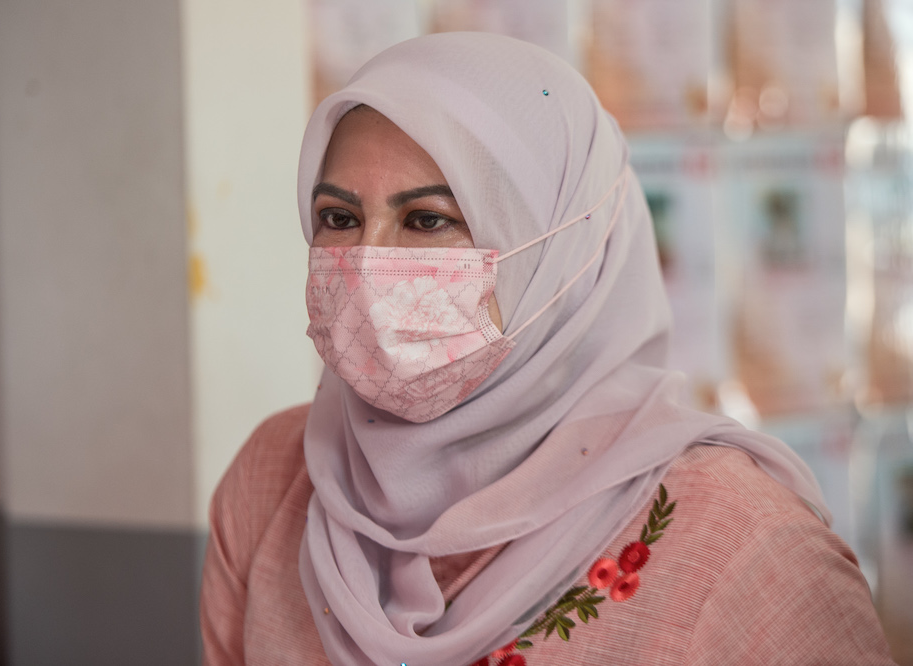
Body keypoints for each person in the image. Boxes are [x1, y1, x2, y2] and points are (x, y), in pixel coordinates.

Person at [200, 32, 895, 665]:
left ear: (563, 257)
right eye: (339, 218)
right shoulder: (273, 485)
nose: (368, 261)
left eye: (427, 220)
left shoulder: (748, 553)